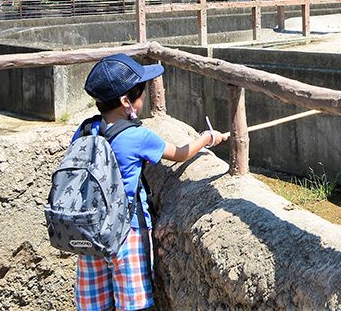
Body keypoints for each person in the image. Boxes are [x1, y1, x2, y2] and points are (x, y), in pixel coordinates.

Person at [73, 53, 229, 311]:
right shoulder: (138, 136)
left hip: (90, 233)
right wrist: (207, 138)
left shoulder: (86, 129)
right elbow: (181, 154)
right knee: (134, 305)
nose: (143, 98)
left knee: (95, 306)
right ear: (126, 102)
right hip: (126, 233)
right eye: (140, 93)